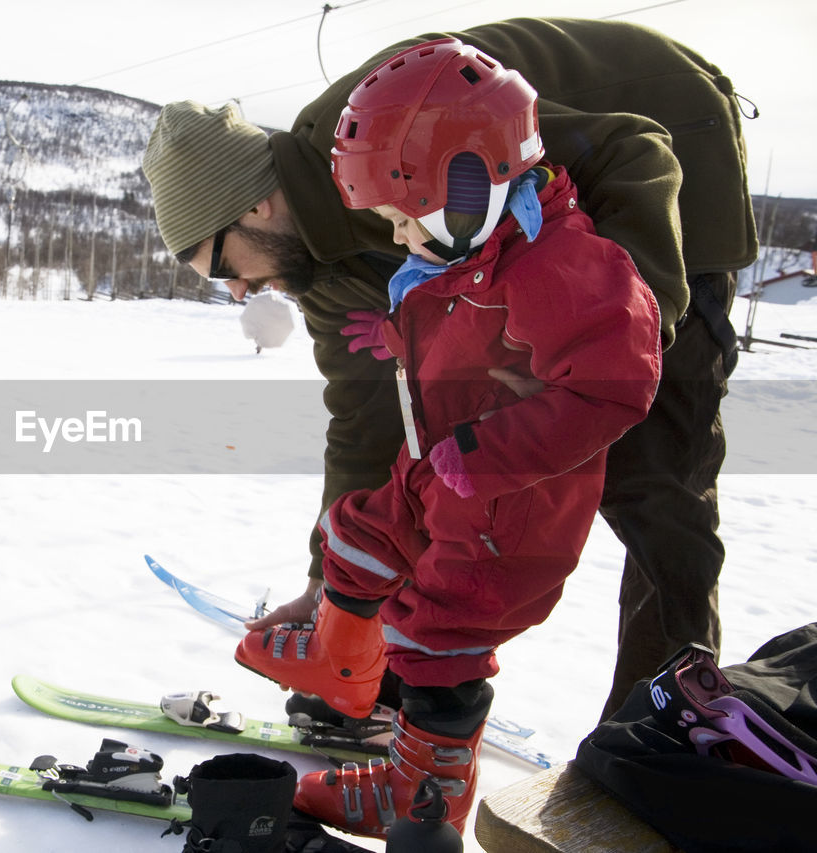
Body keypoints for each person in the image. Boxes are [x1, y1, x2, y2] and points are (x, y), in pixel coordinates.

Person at [141, 17, 756, 730]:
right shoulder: (321, 269)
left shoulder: (389, 131)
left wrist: (624, 343)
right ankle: (397, 669)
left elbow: (634, 150)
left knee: (650, 478)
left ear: (254, 204)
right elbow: (366, 422)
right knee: (447, 453)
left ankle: (661, 725)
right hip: (541, 244)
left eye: (221, 268)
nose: (239, 294)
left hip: (668, 161)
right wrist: (332, 585)